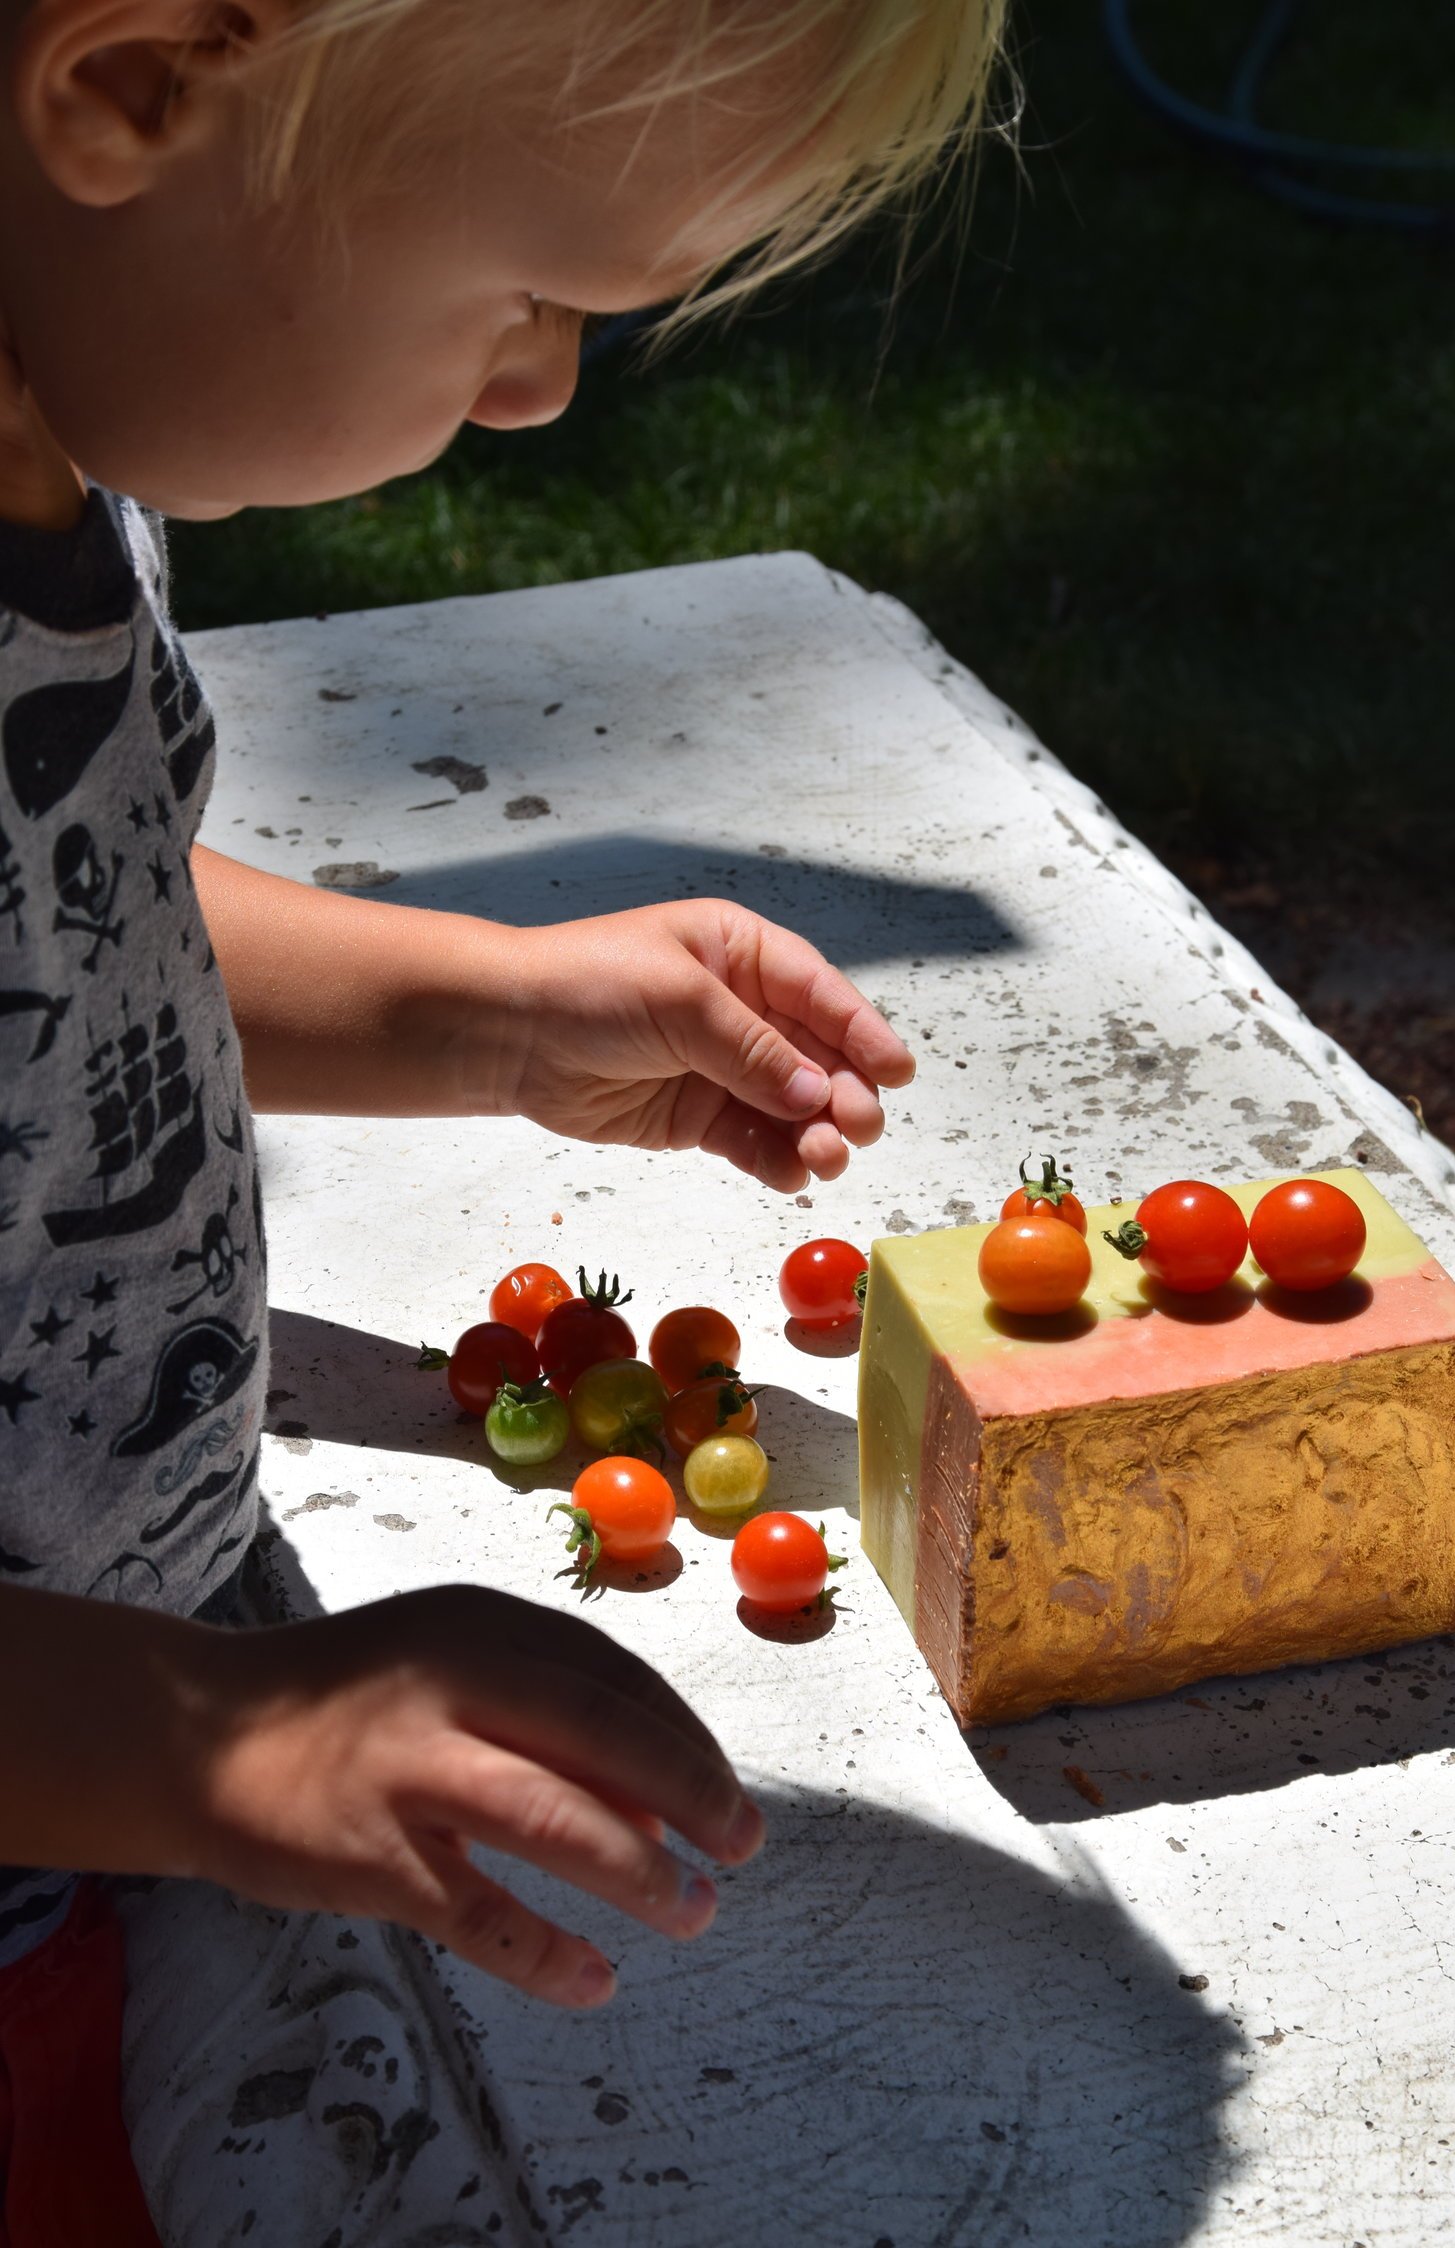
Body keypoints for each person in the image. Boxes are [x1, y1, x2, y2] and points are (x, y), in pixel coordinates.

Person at [0, 0, 1004, 2230]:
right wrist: (205, 1737)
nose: (546, 387)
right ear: (136, 93)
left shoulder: (57, 421)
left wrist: (487, 1013)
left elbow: (72, 917)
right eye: (529, 296)